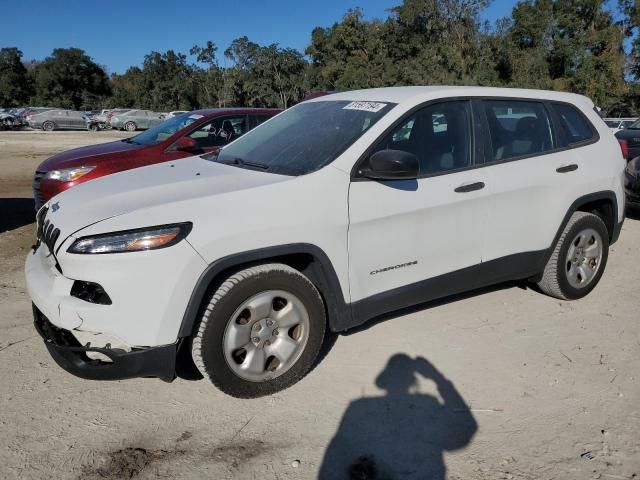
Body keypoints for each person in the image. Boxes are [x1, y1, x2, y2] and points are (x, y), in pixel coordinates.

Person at [319, 354, 477, 480]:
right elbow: (465, 431)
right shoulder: (428, 402)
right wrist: (437, 377)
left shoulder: (358, 405)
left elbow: (338, 444)